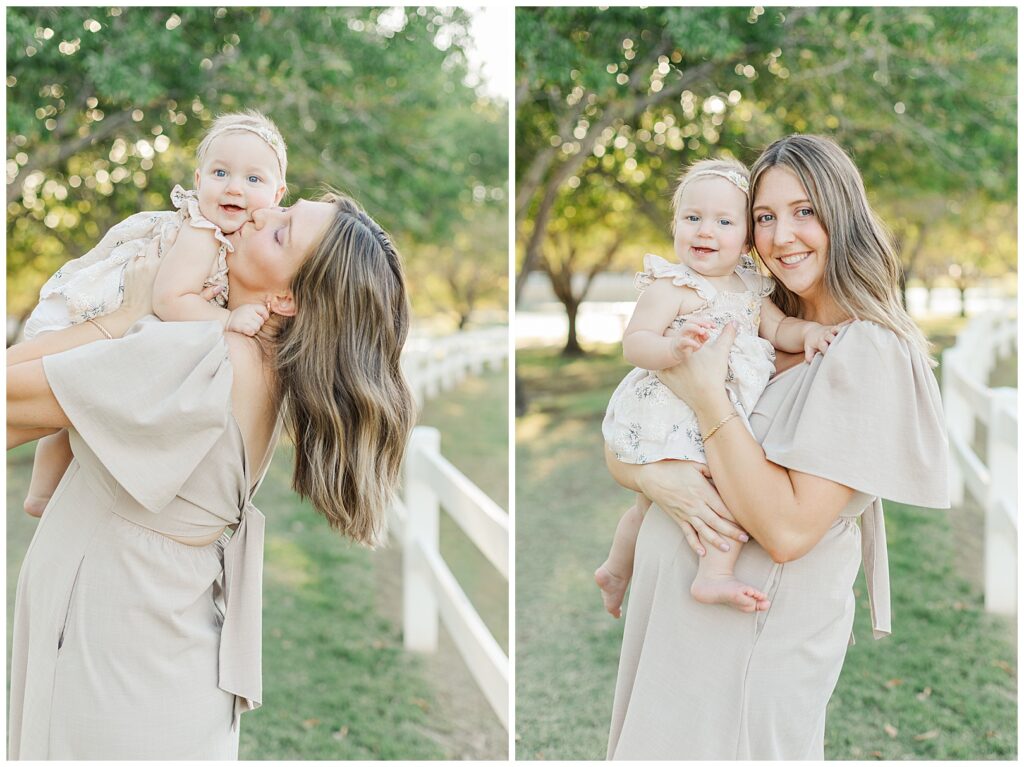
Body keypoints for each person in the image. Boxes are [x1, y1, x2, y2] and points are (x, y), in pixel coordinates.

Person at [7, 189, 415, 759]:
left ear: (287, 299)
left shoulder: (201, 355)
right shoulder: (262, 364)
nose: (260, 213)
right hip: (162, 647)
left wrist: (124, 316)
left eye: (280, 231)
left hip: (112, 653)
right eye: (282, 207)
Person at [605, 134, 949, 760]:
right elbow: (634, 433)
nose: (782, 234)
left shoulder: (866, 350)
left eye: (805, 210)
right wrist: (655, 482)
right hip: (680, 635)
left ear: (842, 216)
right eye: (766, 216)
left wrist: (709, 402)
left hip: (747, 648)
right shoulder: (756, 325)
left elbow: (789, 531)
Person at [596, 158, 841, 618]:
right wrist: (671, 349)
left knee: (654, 502)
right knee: (688, 495)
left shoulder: (750, 289)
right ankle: (708, 573)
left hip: (714, 411)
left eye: (723, 222)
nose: (705, 231)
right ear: (676, 226)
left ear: (747, 239)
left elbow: (780, 327)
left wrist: (808, 335)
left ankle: (615, 570)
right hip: (670, 407)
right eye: (692, 218)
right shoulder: (672, 285)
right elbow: (636, 341)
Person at [22, 110, 289, 522]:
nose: (235, 187)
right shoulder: (203, 232)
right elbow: (169, 300)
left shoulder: (232, 239)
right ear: (198, 181)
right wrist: (227, 321)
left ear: (278, 194)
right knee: (62, 397)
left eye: (253, 179)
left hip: (125, 319)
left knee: (68, 406)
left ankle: (43, 493)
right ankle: (41, 492)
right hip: (107, 305)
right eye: (221, 173)